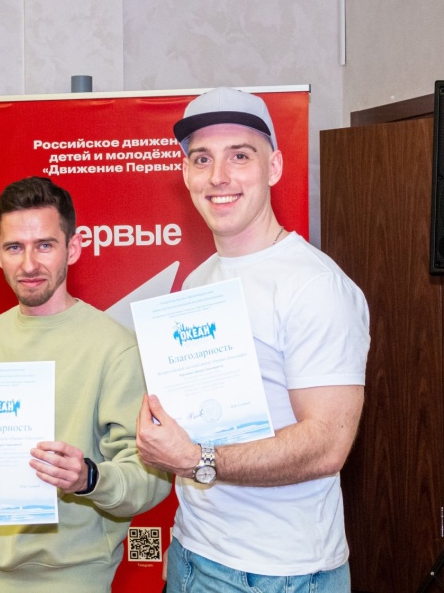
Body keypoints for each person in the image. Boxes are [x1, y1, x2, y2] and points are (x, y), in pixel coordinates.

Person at [136, 87, 371, 592]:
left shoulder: (314, 286)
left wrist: (197, 460)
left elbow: (327, 445)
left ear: (274, 167)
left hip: (278, 574)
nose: (218, 176)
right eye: (202, 158)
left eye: (240, 156)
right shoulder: (199, 280)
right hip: (194, 554)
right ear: (186, 175)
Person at [0, 176, 171, 593]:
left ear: (74, 247)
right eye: (15, 247)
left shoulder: (116, 349)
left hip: (72, 583)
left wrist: (88, 478)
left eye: (45, 245)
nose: (29, 264)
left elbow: (153, 479)